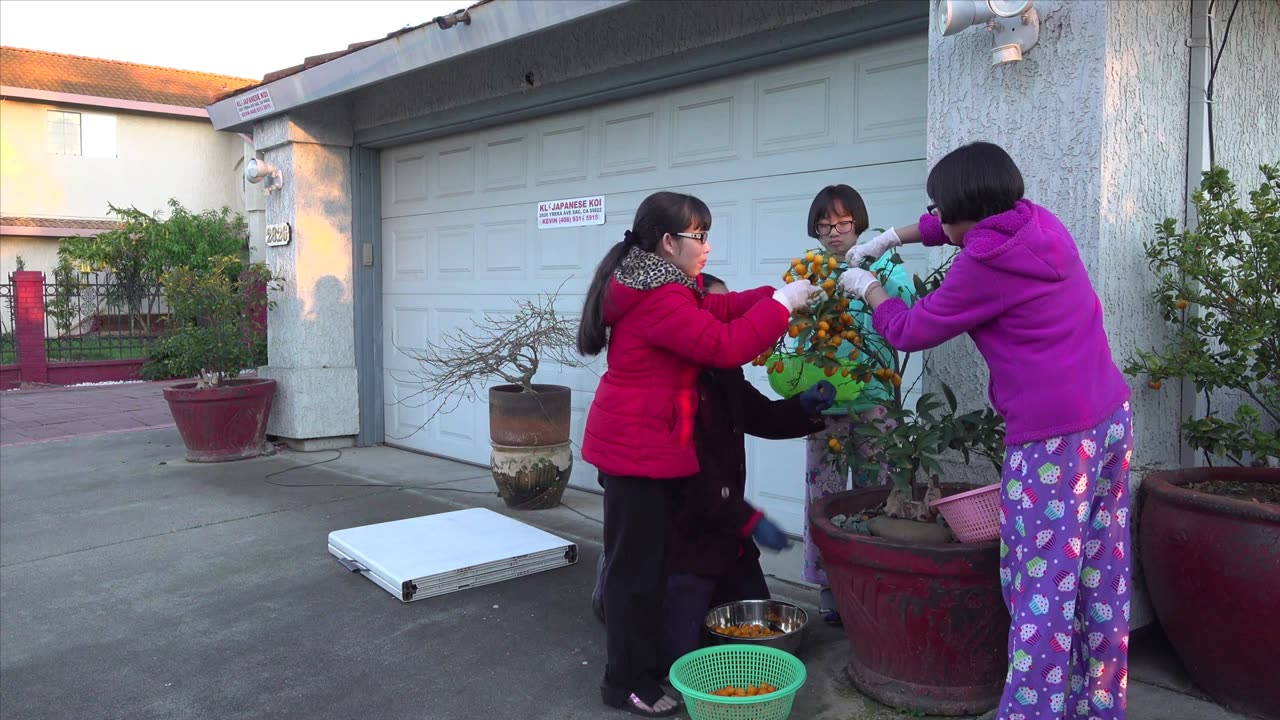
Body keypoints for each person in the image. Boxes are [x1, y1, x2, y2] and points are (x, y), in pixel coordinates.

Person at [839, 142, 1133, 720]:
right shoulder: (1037, 222)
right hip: (1109, 417)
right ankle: (1097, 707)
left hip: (1052, 440)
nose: (938, 220)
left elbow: (912, 329)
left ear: (964, 211)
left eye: (941, 209)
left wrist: (867, 287)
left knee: (1039, 588)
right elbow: (955, 226)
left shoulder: (984, 265)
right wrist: (894, 237)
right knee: (1100, 573)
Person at [578, 192, 815, 717]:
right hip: (634, 452)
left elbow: (719, 307)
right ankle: (625, 683)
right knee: (633, 575)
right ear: (668, 242)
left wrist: (775, 292)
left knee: (647, 568)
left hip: (652, 448)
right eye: (699, 236)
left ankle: (641, 663)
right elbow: (724, 346)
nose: (707, 247)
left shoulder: (664, 286)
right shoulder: (658, 297)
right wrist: (782, 306)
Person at [591, 274, 836, 668]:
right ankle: (611, 584)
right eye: (714, 317)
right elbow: (696, 481)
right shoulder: (672, 386)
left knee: (760, 632)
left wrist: (804, 408)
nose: (725, 327)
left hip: (727, 533)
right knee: (677, 659)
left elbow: (763, 416)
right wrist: (750, 519)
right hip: (684, 537)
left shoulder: (724, 374)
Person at [797, 185, 916, 625]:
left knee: (876, 488)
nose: (833, 232)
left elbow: (908, 306)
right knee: (823, 491)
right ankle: (829, 584)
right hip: (824, 401)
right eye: (825, 225)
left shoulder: (884, 259)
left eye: (843, 223)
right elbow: (800, 334)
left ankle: (871, 575)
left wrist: (873, 281)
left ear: (859, 223)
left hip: (876, 398)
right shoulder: (812, 270)